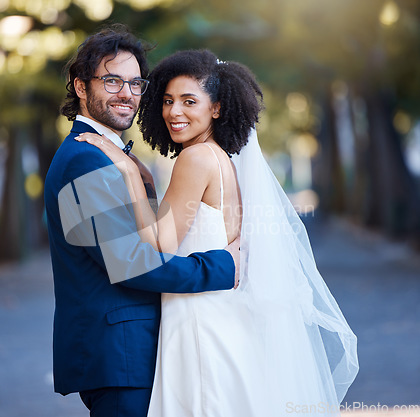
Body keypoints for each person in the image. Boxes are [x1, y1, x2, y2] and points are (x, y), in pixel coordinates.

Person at [79, 49, 358, 416]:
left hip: (198, 320)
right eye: (167, 101)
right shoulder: (219, 157)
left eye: (188, 101)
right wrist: (145, 181)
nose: (174, 112)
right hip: (221, 314)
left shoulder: (195, 159)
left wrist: (129, 175)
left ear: (216, 108)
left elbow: (161, 244)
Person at [44, 26, 241, 417]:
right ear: (81, 87)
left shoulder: (111, 157)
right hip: (120, 357)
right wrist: (223, 267)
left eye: (136, 83)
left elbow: (145, 236)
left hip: (136, 352)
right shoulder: (85, 159)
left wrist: (138, 178)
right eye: (112, 80)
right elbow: (131, 263)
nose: (127, 93)